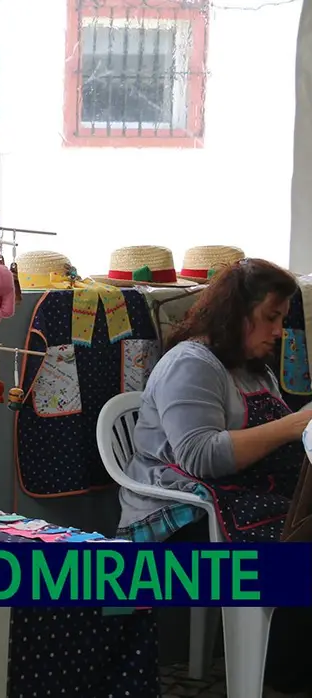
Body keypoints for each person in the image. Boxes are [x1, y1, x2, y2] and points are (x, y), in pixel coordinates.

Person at [116, 258, 311, 695]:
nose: (278, 331)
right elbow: (201, 456)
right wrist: (295, 424)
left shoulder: (252, 366)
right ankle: (282, 677)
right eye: (271, 318)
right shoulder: (192, 364)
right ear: (237, 313)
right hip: (179, 513)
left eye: (281, 319)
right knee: (299, 553)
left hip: (245, 499)